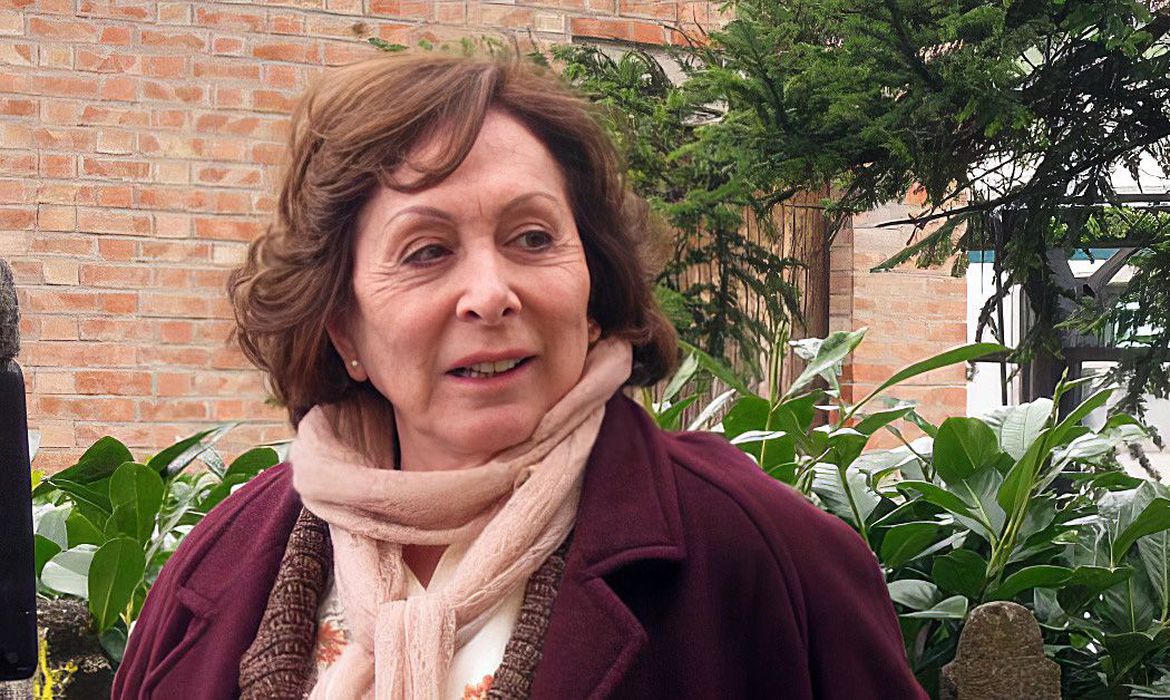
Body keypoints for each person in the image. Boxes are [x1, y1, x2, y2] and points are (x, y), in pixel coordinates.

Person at [113, 53, 927, 699]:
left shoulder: (762, 556)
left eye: (532, 238)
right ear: (343, 328)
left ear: (593, 292)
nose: (491, 293)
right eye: (427, 251)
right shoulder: (216, 571)